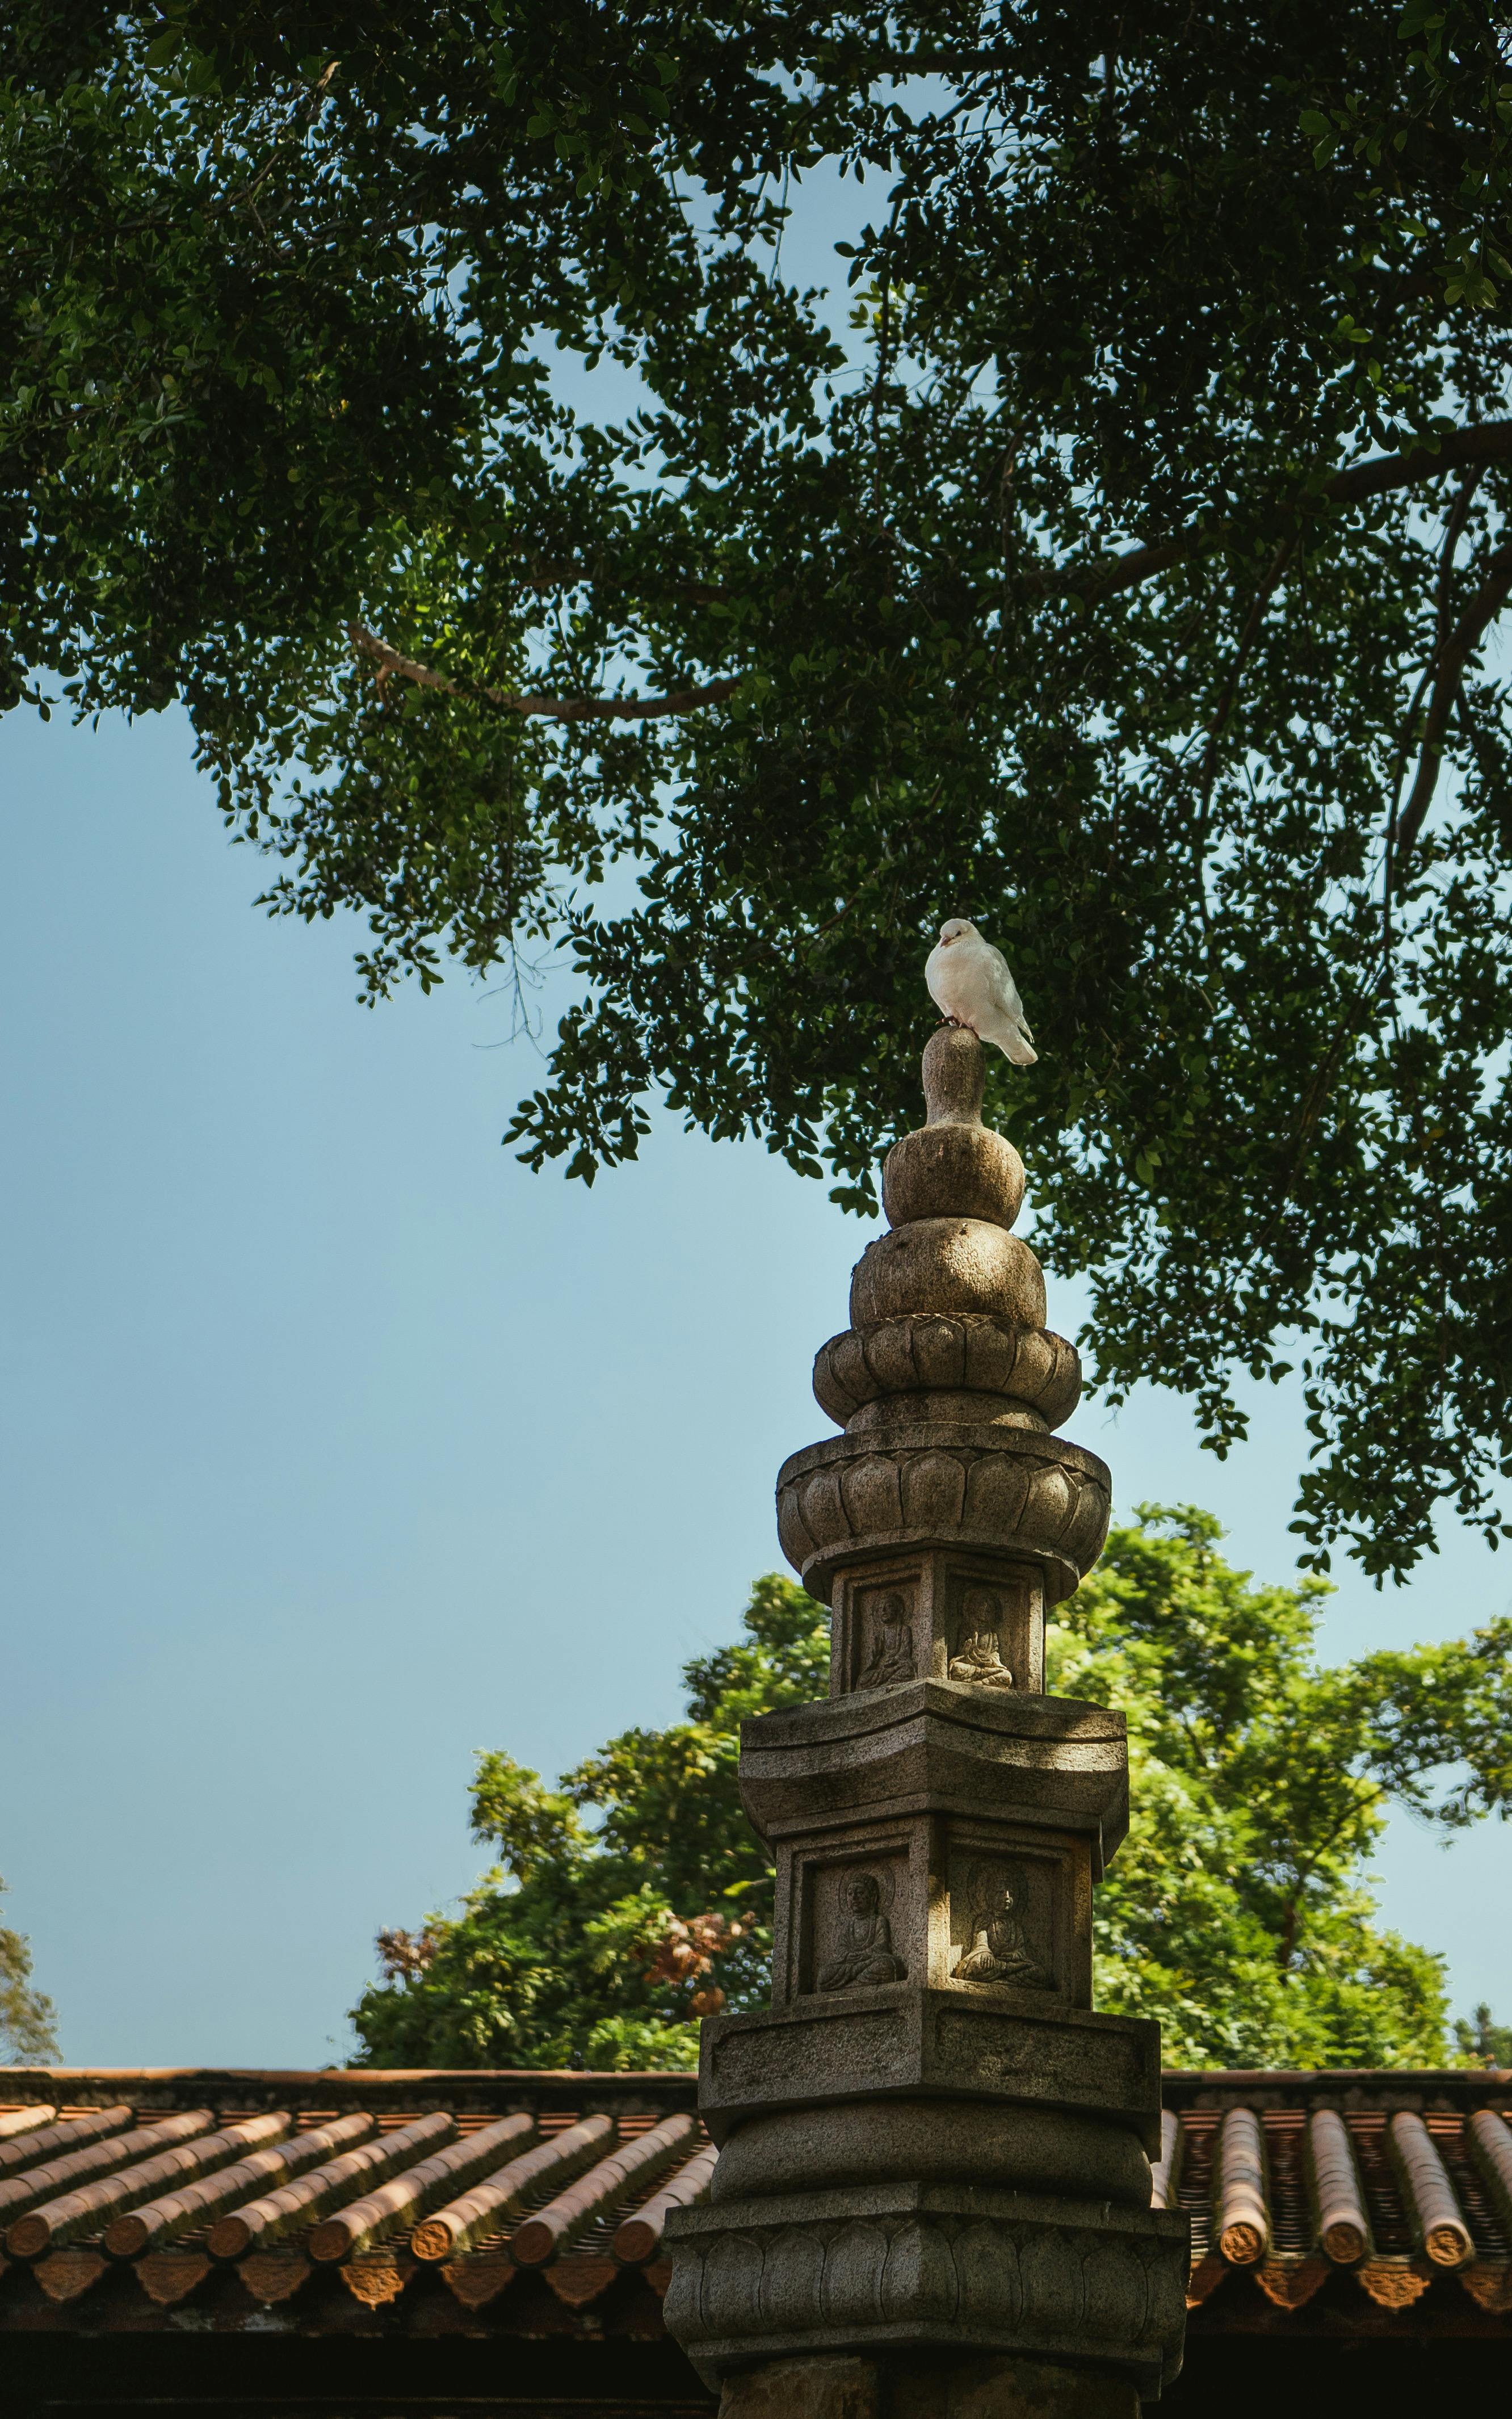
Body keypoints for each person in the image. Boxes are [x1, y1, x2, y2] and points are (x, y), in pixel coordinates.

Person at [815, 1871, 906, 1990]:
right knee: (823, 1975)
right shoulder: (848, 1925)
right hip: (851, 1964)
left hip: (869, 1961)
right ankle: (853, 1984)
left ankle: (849, 1986)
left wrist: (864, 1955)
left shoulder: (879, 1921)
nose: (854, 1898)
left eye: (860, 1893)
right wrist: (849, 1956)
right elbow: (841, 1949)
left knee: (888, 1966)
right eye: (850, 1894)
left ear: (873, 1897)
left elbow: (882, 1945)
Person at [956, 1872, 1047, 1986]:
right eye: (1001, 1892)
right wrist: (986, 1955)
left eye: (1011, 1894)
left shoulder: (1015, 1925)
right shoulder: (984, 1920)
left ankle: (1001, 1978)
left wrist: (1014, 1955)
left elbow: (1021, 1951)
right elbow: (980, 1945)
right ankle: (1011, 1979)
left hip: (1011, 1964)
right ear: (990, 1896)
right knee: (974, 1967)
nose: (1007, 1897)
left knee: (1038, 1973)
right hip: (992, 1963)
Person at [948, 1590, 1014, 1689]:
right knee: (957, 1669)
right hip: (970, 1667)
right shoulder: (966, 1629)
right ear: (972, 1610)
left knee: (1006, 1676)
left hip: (987, 1669)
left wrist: (988, 1662)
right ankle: (983, 1683)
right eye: (980, 1609)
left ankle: (978, 1684)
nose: (984, 1614)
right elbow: (959, 1654)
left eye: (988, 1612)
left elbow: (995, 1656)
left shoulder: (993, 1635)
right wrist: (966, 1652)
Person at [858, 1593, 916, 1687]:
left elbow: (905, 1651)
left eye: (889, 1606)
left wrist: (894, 1660)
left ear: (898, 1610)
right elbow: (875, 1657)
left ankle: (887, 1684)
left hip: (897, 1665)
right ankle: (888, 1683)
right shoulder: (881, 1633)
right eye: (881, 1608)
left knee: (908, 1670)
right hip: (882, 1668)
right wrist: (875, 1648)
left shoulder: (904, 1629)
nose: (884, 1610)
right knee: (863, 1679)